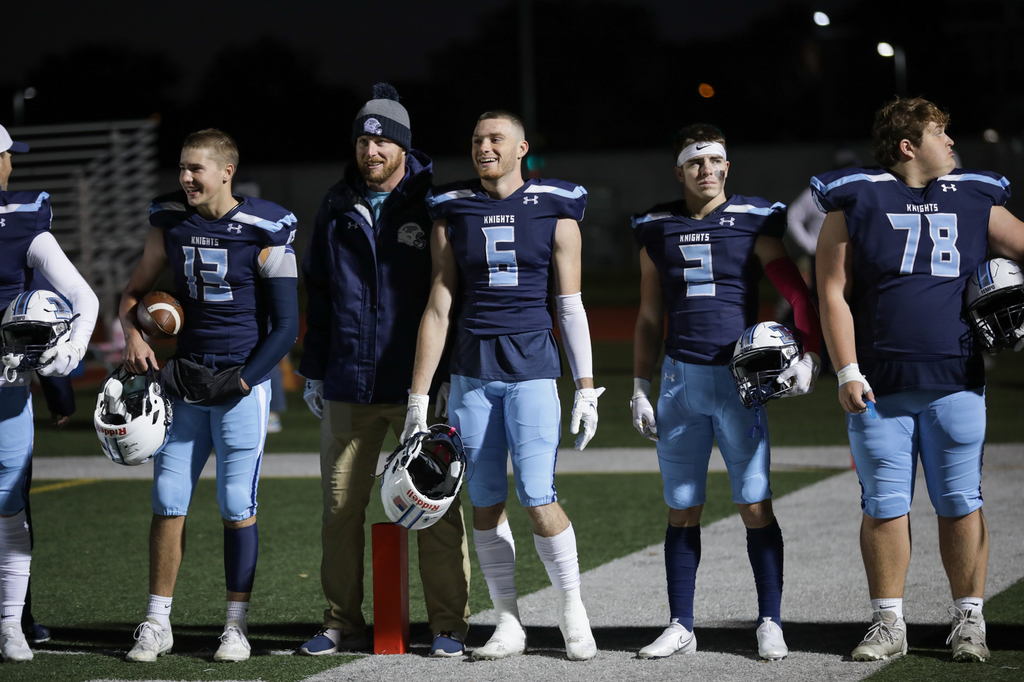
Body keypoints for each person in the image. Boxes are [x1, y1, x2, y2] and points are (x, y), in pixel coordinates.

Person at [815, 97, 1024, 663]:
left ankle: (970, 619)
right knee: (884, 504)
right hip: (878, 382)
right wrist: (846, 369)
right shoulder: (855, 197)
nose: (951, 142)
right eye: (939, 133)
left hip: (956, 375)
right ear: (908, 146)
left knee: (960, 500)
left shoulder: (974, 195)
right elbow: (831, 290)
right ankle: (889, 622)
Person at [404, 111, 602, 662]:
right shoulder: (452, 209)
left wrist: (586, 387)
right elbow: (439, 306)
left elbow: (570, 306)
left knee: (538, 496)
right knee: (485, 500)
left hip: (532, 368)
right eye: (477, 140)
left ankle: (572, 610)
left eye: (496, 139)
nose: (484, 147)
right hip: (472, 373)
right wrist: (419, 397)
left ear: (522, 149)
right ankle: (508, 620)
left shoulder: (556, 208)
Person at [630, 124, 821, 661]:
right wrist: (639, 386)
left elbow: (798, 296)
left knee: (754, 504)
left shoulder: (753, 220)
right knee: (681, 508)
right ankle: (681, 624)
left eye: (715, 160)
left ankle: (770, 619)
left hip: (740, 383)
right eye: (696, 162)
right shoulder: (656, 228)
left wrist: (810, 357)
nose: (707, 170)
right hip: (679, 383)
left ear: (727, 166)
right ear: (679, 171)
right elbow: (649, 317)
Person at [297, 83, 471, 658]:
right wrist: (315, 369)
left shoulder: (434, 204)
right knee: (340, 510)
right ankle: (340, 621)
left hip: (418, 384)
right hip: (349, 382)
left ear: (402, 147)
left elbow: (453, 298)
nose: (370, 151)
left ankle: (449, 624)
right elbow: (320, 294)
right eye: (362, 141)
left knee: (436, 509)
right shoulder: (335, 205)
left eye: (381, 142)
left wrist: (446, 375)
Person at [119, 129, 299, 663]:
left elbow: (286, 327)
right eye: (181, 167)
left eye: (196, 168)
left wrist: (245, 380)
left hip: (241, 383)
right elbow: (132, 293)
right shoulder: (170, 221)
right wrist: (133, 334)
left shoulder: (267, 227)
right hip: (186, 379)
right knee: (167, 497)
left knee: (236, 503)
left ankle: (235, 627)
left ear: (226, 172)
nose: (185, 178)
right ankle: (157, 622)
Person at [0, 123, 99, 662]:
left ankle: (13, 622)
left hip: (8, 386)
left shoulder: (25, 222)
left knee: (9, 506)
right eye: (7, 155)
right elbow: (81, 298)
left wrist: (65, 358)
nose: (12, 165)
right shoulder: (24, 219)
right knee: (11, 507)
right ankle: (14, 624)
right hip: (8, 385)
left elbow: (75, 299)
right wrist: (70, 354)